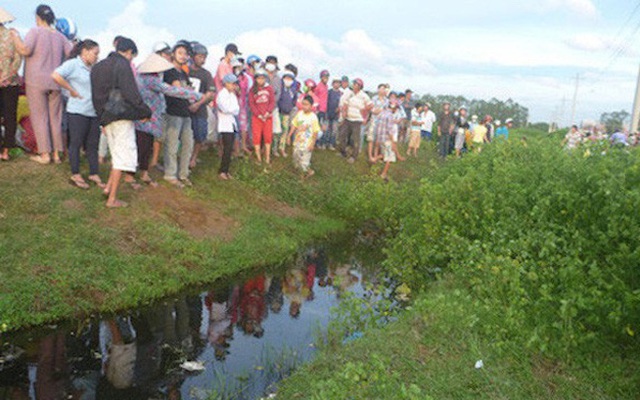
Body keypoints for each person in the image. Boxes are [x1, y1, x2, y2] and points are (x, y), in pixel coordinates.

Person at [91, 37, 151, 208]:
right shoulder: (122, 64)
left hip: (105, 116)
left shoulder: (98, 66)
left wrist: (101, 118)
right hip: (121, 116)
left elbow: (95, 95)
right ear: (129, 52)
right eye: (133, 56)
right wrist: (145, 111)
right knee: (122, 157)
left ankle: (108, 189)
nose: (131, 59)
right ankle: (112, 200)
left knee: (117, 153)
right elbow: (130, 93)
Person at [11, 4, 72, 164]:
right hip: (55, 81)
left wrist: (16, 37)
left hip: (36, 81)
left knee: (39, 117)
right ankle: (57, 154)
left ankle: (45, 154)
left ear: (38, 17)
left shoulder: (35, 31)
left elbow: (25, 50)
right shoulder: (60, 36)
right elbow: (70, 54)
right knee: (56, 117)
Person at [135, 52, 203, 187]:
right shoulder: (152, 80)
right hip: (148, 118)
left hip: (145, 117)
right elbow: (172, 90)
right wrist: (195, 94)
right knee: (143, 148)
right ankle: (136, 176)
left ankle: (142, 174)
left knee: (144, 147)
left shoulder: (142, 77)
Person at [52, 39, 104, 189]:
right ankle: (75, 174)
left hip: (93, 112)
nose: (97, 56)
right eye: (95, 53)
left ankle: (94, 173)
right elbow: (56, 75)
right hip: (77, 111)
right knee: (76, 142)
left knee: (93, 145)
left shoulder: (94, 67)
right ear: (85, 51)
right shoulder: (73, 64)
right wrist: (71, 90)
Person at [162, 42, 212, 187]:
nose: (183, 56)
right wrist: (192, 93)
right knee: (171, 145)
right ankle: (170, 174)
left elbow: (187, 89)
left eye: (185, 54)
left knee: (187, 145)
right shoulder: (170, 71)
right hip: (173, 112)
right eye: (180, 53)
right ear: (173, 54)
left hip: (186, 112)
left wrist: (192, 95)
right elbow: (180, 88)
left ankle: (183, 174)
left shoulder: (183, 73)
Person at [0, 7, 22, 161]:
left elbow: (18, 58)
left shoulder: (12, 34)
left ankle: (7, 149)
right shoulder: (12, 34)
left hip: (10, 82)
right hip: (7, 81)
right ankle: (4, 149)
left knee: (9, 116)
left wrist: (7, 76)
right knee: (7, 116)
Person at [188, 42, 215, 169]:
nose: (202, 60)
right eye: (200, 56)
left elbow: (210, 93)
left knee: (200, 135)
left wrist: (198, 104)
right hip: (184, 109)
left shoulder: (206, 74)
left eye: (204, 57)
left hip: (199, 110)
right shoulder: (185, 71)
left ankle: (194, 157)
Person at [339, 78, 372, 163]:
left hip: (357, 120)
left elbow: (370, 105)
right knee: (342, 135)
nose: (353, 86)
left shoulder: (364, 95)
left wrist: (364, 109)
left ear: (359, 86)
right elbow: (345, 103)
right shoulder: (350, 94)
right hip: (347, 119)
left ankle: (354, 156)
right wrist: (344, 112)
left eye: (355, 84)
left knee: (355, 139)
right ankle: (343, 152)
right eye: (353, 84)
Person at [288, 95, 320, 179]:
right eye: (303, 104)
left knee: (304, 161)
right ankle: (309, 171)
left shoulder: (313, 117)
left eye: (306, 104)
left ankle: (302, 177)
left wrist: (312, 143)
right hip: (298, 141)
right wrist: (289, 135)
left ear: (311, 106)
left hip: (307, 143)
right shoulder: (299, 114)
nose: (304, 106)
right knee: (296, 157)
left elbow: (315, 131)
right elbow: (294, 125)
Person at [249, 68, 275, 166]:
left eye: (262, 78)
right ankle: (259, 158)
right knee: (257, 137)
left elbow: (272, 101)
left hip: (267, 117)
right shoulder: (252, 90)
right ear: (255, 79)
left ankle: (267, 158)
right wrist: (258, 114)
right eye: (259, 78)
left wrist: (268, 112)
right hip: (257, 118)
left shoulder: (269, 89)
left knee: (268, 137)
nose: (261, 81)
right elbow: (251, 104)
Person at [216, 74, 240, 180]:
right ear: (226, 84)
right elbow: (224, 108)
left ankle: (226, 170)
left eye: (235, 84)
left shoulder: (233, 95)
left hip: (231, 123)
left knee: (229, 148)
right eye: (232, 83)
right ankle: (222, 170)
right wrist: (231, 110)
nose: (234, 86)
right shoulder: (222, 94)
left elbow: (236, 110)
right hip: (224, 124)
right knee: (227, 148)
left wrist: (230, 110)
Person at [265, 55, 283, 157]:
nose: (271, 65)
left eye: (273, 63)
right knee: (264, 128)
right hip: (262, 107)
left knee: (276, 129)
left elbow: (278, 93)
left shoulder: (278, 78)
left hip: (274, 107)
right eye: (270, 62)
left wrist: (271, 104)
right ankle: (264, 149)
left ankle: (274, 149)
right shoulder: (262, 75)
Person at [278, 70, 298, 157]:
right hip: (278, 112)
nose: (288, 80)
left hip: (286, 113)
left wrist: (289, 108)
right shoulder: (280, 88)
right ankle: (274, 148)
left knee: (285, 131)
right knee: (276, 131)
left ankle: (281, 148)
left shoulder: (293, 91)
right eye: (286, 78)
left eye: (290, 79)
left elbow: (294, 101)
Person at [368, 84, 389, 163]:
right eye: (382, 88)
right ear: (378, 90)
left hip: (382, 122)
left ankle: (375, 157)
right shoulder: (374, 98)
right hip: (374, 120)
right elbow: (371, 109)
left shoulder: (386, 100)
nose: (383, 90)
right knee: (371, 139)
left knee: (378, 141)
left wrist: (380, 111)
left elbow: (387, 111)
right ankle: (370, 156)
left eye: (384, 89)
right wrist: (376, 111)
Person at [324, 79, 342, 151]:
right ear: (332, 84)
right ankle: (325, 143)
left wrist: (339, 108)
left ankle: (332, 144)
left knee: (334, 130)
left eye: (338, 83)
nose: (337, 85)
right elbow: (326, 102)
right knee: (327, 129)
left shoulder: (341, 94)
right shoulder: (329, 92)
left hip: (336, 115)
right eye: (335, 83)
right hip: (328, 113)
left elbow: (342, 103)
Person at [315, 70, 330, 147]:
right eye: (324, 77)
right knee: (318, 126)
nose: (326, 78)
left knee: (323, 127)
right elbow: (315, 97)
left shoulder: (327, 86)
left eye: (327, 77)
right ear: (321, 77)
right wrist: (316, 109)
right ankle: (316, 142)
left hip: (324, 109)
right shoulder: (318, 86)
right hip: (319, 110)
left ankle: (320, 141)